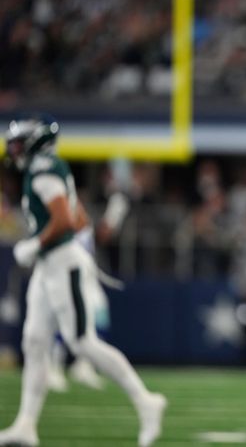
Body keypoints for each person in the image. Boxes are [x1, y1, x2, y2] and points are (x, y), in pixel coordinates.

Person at [0, 115, 166, 447]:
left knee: (82, 342)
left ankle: (146, 401)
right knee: (34, 341)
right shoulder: (48, 167)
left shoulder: (44, 169)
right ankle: (26, 425)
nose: (14, 149)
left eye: (19, 143)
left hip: (62, 264)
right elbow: (77, 217)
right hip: (50, 266)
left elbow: (63, 219)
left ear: (34, 143)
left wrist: (35, 243)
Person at [48, 191, 130, 392]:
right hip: (67, 277)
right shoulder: (62, 226)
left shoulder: (85, 226)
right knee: (66, 321)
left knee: (99, 318)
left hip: (89, 278)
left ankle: (83, 366)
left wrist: (113, 215)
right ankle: (54, 367)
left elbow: (103, 235)